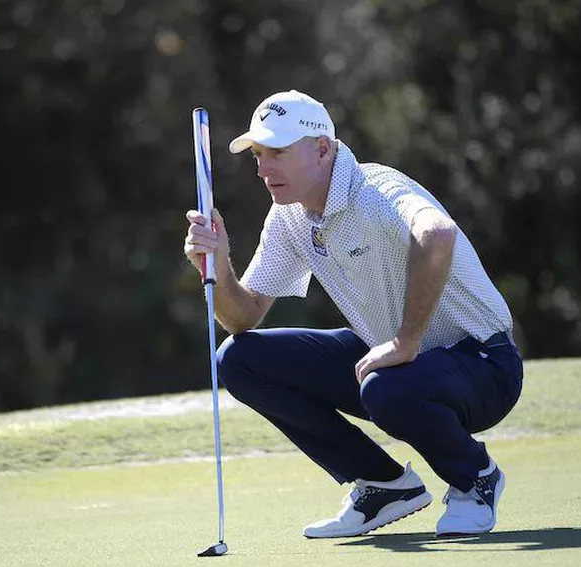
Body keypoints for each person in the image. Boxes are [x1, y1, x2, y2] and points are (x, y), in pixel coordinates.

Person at [183, 89, 523, 538]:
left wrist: (405, 342)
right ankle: (384, 485)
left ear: (322, 149)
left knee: (385, 387)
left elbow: (438, 235)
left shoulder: (375, 189)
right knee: (239, 359)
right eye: (260, 156)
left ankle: (475, 478)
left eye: (278, 153)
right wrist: (218, 264)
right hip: (399, 364)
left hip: (484, 366)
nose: (264, 169)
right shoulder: (290, 218)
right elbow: (243, 317)